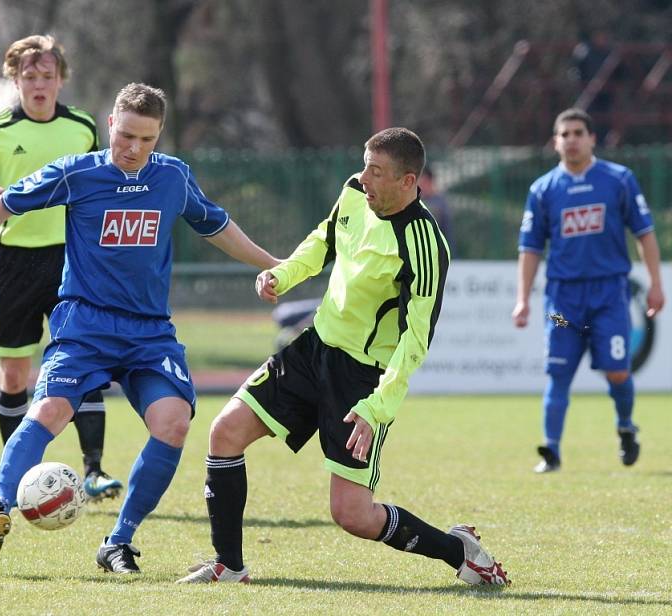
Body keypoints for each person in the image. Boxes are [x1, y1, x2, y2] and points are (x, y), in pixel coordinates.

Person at [0, 82, 280, 571]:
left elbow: (215, 225)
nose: (133, 149)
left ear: (160, 136)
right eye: (126, 135)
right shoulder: (76, 174)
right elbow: (6, 204)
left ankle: (118, 542)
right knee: (49, 410)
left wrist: (273, 264)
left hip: (149, 333)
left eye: (146, 140)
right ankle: (0, 506)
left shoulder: (173, 177)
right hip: (85, 325)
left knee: (173, 423)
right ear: (110, 125)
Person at [177, 128, 509, 586]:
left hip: (362, 379)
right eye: (365, 165)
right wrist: (282, 274)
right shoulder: (355, 191)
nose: (365, 178)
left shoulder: (425, 244)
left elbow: (415, 340)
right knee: (225, 433)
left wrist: (377, 408)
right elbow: (323, 240)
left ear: (408, 181)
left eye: (377, 171)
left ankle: (459, 552)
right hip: (314, 347)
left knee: (352, 514)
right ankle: (228, 566)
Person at [0, 34, 122, 501]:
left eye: (47, 76)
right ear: (14, 79)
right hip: (12, 262)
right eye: (29, 76)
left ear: (61, 79)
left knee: (84, 362)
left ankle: (94, 471)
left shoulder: (83, 128)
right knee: (15, 376)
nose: (39, 84)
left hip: (72, 259)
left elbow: (101, 183)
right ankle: (23, 479)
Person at [512, 108, 665, 474]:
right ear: (555, 142)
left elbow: (644, 234)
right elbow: (530, 249)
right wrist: (522, 299)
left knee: (616, 371)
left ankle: (626, 425)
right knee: (557, 372)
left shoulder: (619, 180)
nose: (572, 139)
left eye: (579, 132)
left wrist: (656, 284)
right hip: (561, 300)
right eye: (565, 134)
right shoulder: (543, 189)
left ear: (592, 138)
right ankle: (551, 450)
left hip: (610, 295)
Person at [419, 166, 454, 253]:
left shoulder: (440, 204)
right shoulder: (417, 202)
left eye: (424, 183)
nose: (421, 186)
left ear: (431, 181)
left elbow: (447, 232)